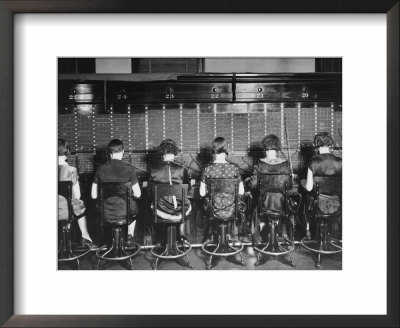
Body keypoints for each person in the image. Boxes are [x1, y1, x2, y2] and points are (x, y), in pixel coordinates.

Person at [91, 139, 141, 247]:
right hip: (125, 212)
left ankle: (110, 243)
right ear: (123, 151)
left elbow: (93, 195)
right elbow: (138, 194)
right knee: (135, 208)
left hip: (106, 213)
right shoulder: (130, 169)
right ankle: (129, 236)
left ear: (109, 153)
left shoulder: (100, 168)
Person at [247, 134, 294, 244]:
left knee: (252, 206)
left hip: (264, 205)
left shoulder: (259, 164)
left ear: (265, 148)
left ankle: (258, 240)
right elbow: (290, 186)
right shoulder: (286, 164)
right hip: (282, 205)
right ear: (277, 148)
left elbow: (253, 186)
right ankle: (285, 237)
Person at [199, 137, 245, 242]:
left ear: (213, 150)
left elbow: (202, 193)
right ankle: (228, 238)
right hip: (231, 209)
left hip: (213, 210)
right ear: (227, 150)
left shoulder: (207, 169)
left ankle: (212, 238)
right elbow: (241, 192)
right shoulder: (234, 168)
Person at [149, 139, 191, 244]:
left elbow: (150, 191)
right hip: (179, 210)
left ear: (161, 153)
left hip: (161, 210)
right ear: (174, 152)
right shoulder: (182, 168)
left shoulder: (153, 169)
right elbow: (188, 188)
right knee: (187, 204)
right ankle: (181, 235)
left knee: (152, 204)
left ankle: (161, 239)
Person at [58, 138, 97, 248]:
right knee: (80, 205)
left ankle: (63, 240)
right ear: (67, 152)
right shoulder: (71, 170)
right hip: (67, 211)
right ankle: (85, 237)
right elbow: (78, 195)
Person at [301, 132, 342, 237]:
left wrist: (302, 182)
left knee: (304, 200)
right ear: (330, 146)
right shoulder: (341, 162)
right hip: (337, 203)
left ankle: (308, 231)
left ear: (316, 146)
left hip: (319, 204)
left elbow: (309, 188)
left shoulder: (313, 162)